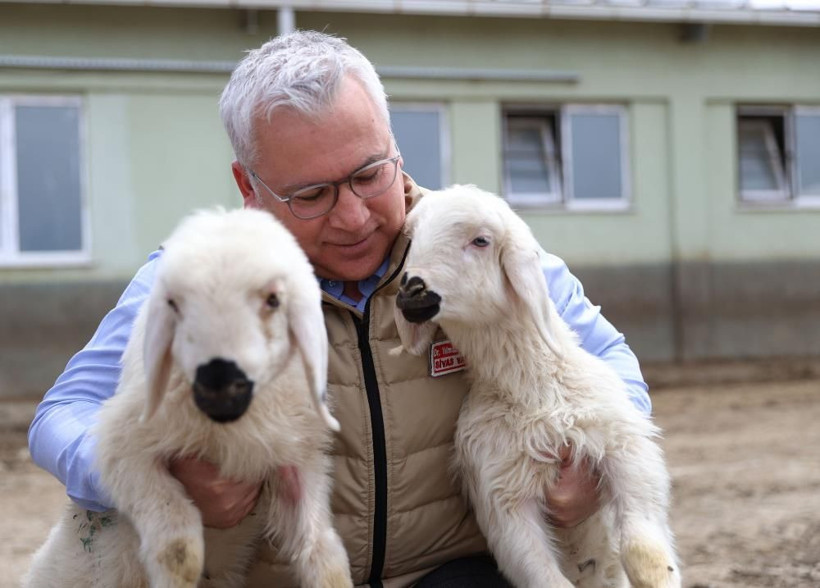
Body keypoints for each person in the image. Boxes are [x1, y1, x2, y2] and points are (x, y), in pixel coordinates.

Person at [29, 30, 651, 588]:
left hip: (452, 571)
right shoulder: (199, 278)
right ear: (249, 187)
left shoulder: (473, 243)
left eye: (368, 174)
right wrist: (163, 480)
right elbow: (62, 414)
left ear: (395, 149)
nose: (352, 217)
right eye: (312, 194)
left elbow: (609, 360)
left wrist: (587, 471)